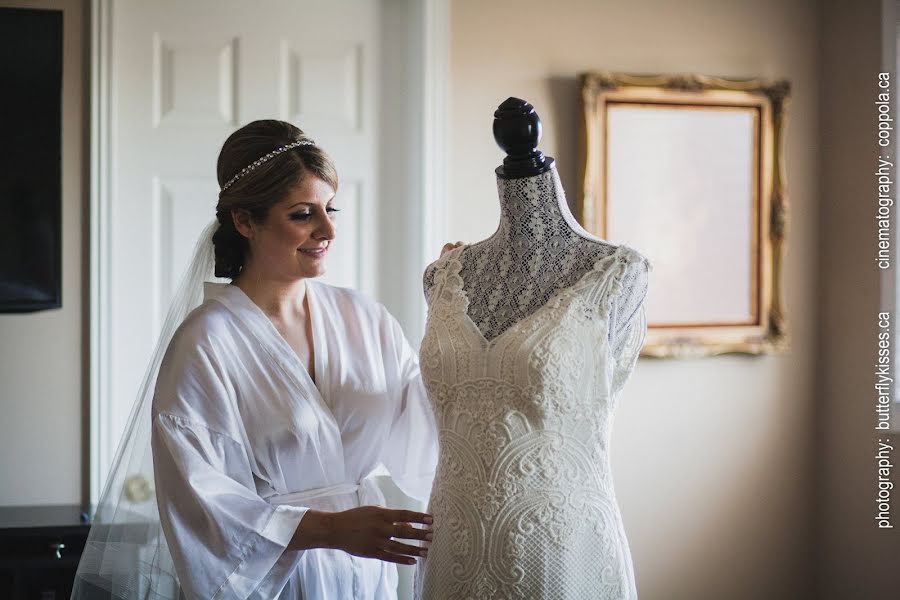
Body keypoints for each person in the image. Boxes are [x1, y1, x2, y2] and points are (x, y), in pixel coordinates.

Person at [72, 119, 444, 600]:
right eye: (302, 214)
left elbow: (428, 443)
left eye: (330, 209)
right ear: (245, 222)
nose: (327, 229)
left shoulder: (365, 319)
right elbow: (200, 502)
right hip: (273, 582)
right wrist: (330, 530)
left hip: (365, 577)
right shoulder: (206, 344)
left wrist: (450, 321)